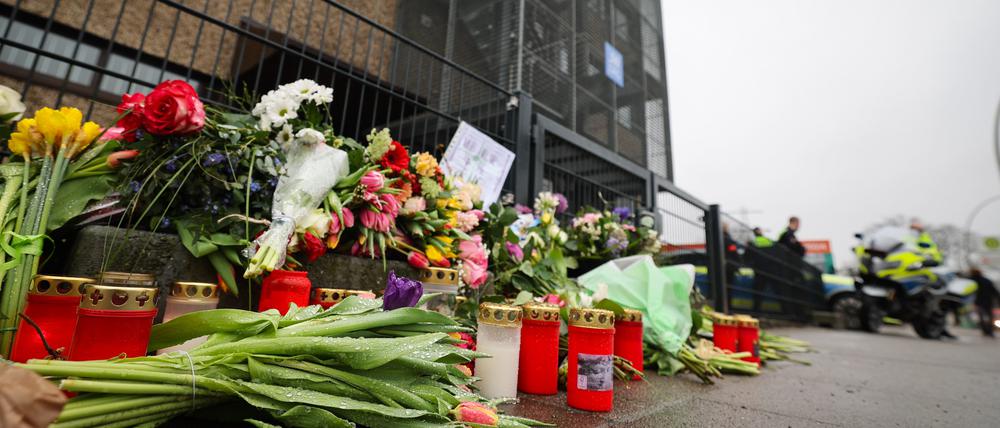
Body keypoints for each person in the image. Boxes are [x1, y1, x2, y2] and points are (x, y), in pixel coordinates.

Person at [971, 268, 998, 337]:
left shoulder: (972, 281)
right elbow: (994, 291)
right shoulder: (987, 281)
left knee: (981, 317)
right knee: (989, 317)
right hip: (988, 301)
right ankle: (990, 331)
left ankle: (985, 331)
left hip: (979, 302)